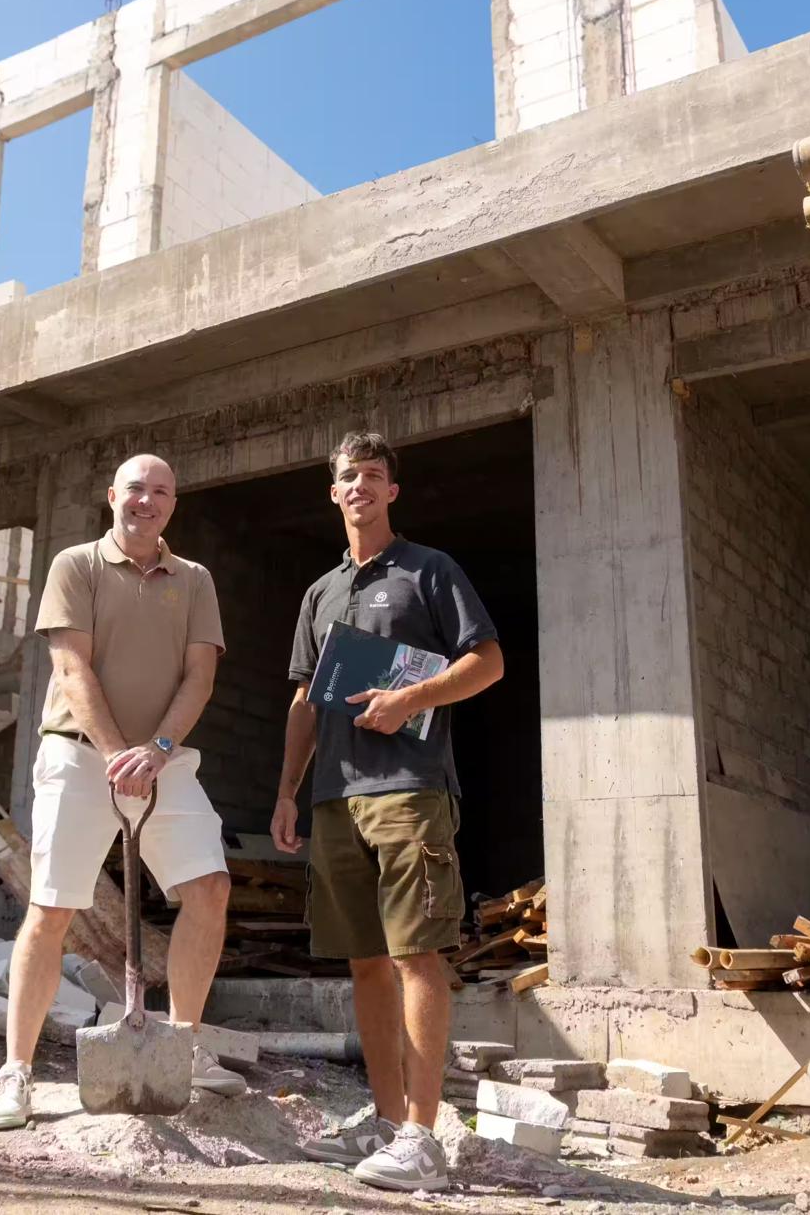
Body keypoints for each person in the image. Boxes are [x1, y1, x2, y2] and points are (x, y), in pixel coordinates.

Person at [0, 453, 241, 1131]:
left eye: (160, 491)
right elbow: (72, 665)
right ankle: (16, 1071)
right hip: (79, 755)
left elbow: (199, 677)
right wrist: (116, 751)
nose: (146, 501)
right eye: (135, 489)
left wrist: (153, 752)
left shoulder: (195, 580)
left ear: (172, 504)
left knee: (209, 886)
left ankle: (181, 1044)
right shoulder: (76, 565)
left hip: (164, 761)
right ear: (111, 496)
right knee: (53, 907)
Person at [275, 431, 504, 1192]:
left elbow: (488, 661)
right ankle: (383, 1120)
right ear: (333, 493)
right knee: (365, 962)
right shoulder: (319, 591)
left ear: (392, 491)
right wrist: (285, 790)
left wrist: (411, 697)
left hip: (409, 787)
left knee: (416, 955)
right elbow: (304, 699)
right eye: (349, 475)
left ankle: (422, 1136)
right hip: (336, 795)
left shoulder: (429, 571)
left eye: (374, 474)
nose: (361, 485)